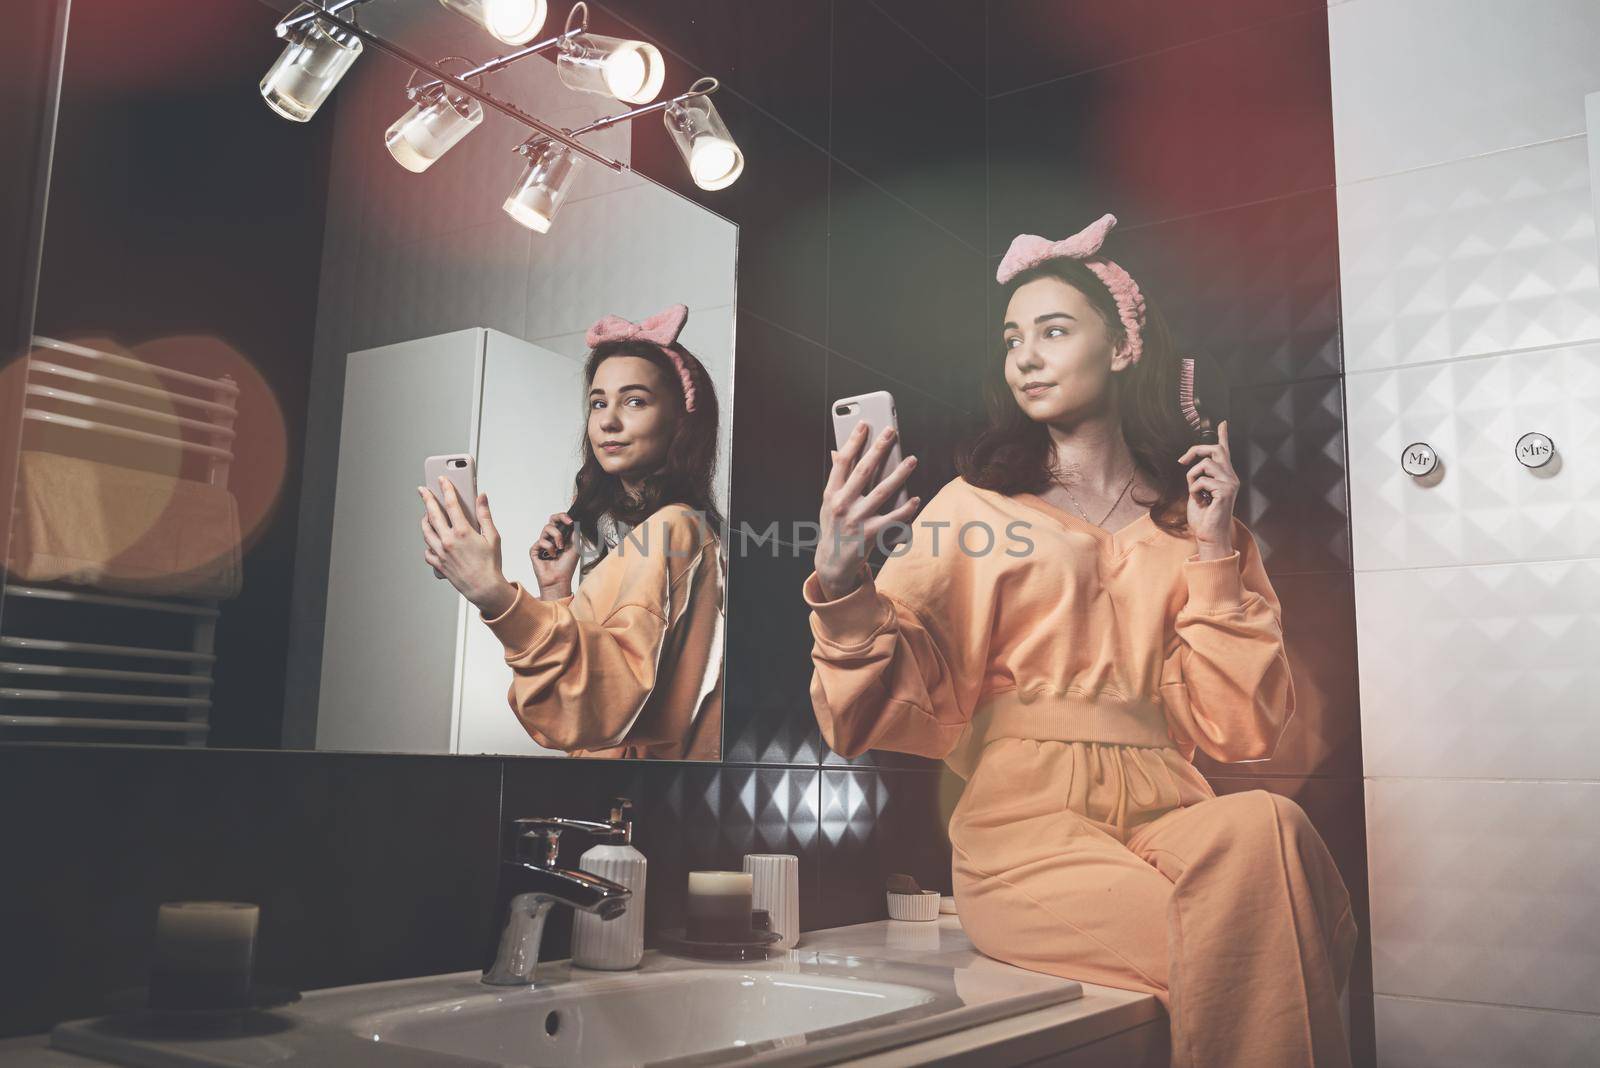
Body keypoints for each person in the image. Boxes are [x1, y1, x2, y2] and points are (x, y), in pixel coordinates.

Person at [802, 215, 1358, 1066]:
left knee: (1269, 829)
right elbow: (868, 707)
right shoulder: (972, 507)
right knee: (1267, 943)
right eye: (1012, 338)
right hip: (1025, 829)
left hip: (1170, 809)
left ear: (1125, 347)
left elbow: (1239, 730)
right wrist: (842, 582)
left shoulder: (1194, 521)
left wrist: (1214, 552)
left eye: (1053, 331)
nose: (1023, 355)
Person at [420, 303, 725, 760]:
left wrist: (496, 595)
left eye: (635, 401)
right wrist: (556, 590)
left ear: (681, 419)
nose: (608, 420)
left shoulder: (674, 527)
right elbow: (587, 697)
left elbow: (605, 710)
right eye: (598, 402)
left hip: (652, 803)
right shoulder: (645, 540)